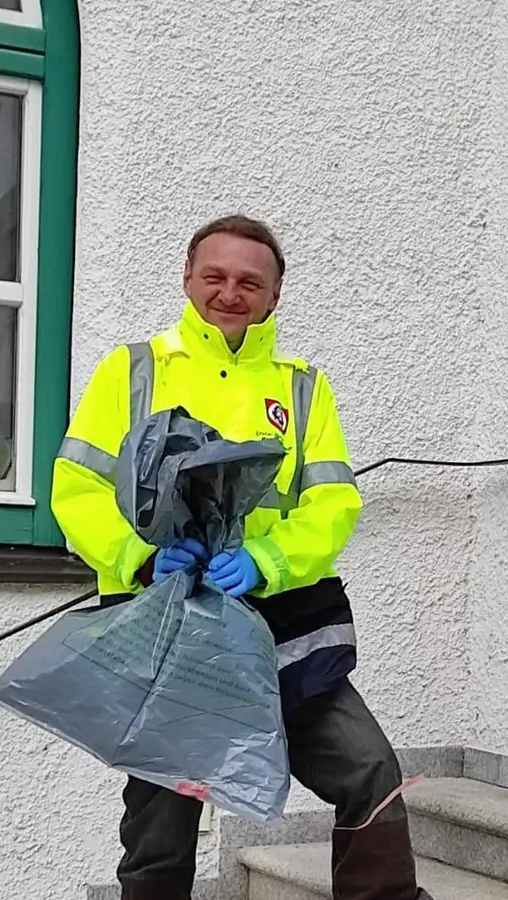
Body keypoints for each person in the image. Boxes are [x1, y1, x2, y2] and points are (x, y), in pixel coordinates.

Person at [51, 215, 432, 900]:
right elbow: (76, 489)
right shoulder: (133, 369)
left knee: (368, 772)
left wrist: (266, 560)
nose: (230, 292)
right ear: (188, 279)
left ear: (274, 296)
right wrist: (139, 557)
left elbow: (332, 505)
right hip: (167, 631)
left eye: (249, 281)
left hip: (279, 629)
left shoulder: (303, 387)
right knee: (161, 824)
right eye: (215, 276)